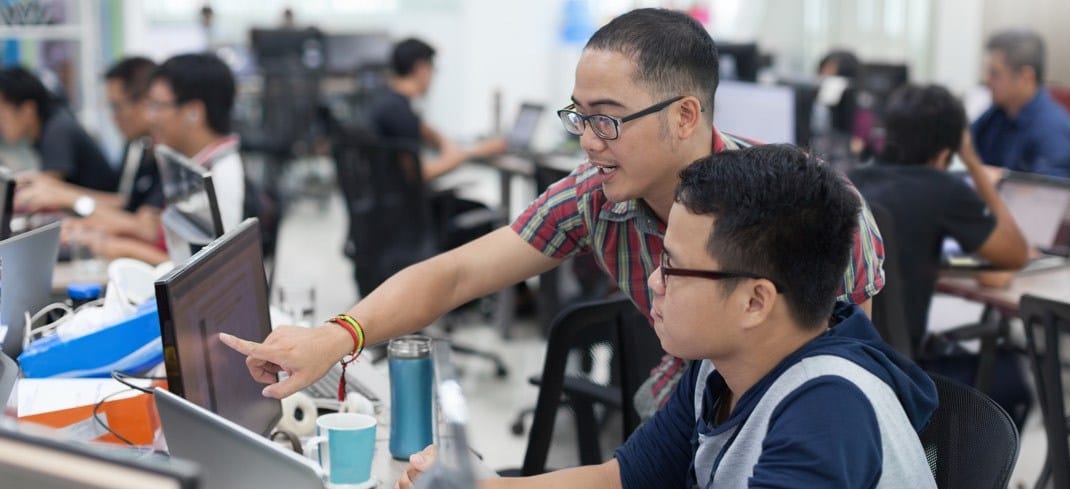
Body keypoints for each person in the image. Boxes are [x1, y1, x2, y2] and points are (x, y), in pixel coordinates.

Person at [221, 8, 885, 420]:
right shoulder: (596, 197)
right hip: (688, 411)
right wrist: (336, 337)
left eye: (608, 119)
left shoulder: (812, 211)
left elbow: (848, 382)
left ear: (687, 115)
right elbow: (454, 276)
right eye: (579, 116)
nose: (587, 140)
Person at [396, 145, 938, 488]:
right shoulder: (720, 363)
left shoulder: (827, 412)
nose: (653, 281)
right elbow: (622, 478)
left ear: (756, 300)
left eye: (675, 267)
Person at [849, 84, 1029, 349]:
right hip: (904, 372)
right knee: (1015, 379)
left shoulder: (851, 180)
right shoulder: (944, 189)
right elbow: (1016, 254)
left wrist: (965, 268)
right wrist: (973, 163)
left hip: (851, 358)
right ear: (947, 152)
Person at [15, 57, 169, 264]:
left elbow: (144, 227)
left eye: (117, 107)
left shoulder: (166, 156)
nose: (114, 118)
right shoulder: (137, 147)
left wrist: (69, 198)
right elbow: (125, 204)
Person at [371, 37, 507, 182]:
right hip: (406, 201)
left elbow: (426, 130)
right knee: (486, 204)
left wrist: (448, 144)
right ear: (421, 69)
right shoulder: (398, 113)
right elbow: (421, 174)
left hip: (385, 197)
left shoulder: (386, 101)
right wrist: (472, 153)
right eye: (433, 69)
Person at [145, 52, 244, 232]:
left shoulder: (221, 177)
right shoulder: (195, 166)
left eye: (158, 106)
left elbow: (212, 259)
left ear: (194, 113)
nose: (149, 117)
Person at [970, 29, 1070, 178]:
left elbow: (1049, 195)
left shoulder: (1055, 131)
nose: (986, 80)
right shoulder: (995, 115)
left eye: (995, 74)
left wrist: (997, 179)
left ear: (1025, 77)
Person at [0, 66, 118, 193]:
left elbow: (47, 190)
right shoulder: (51, 124)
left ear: (28, 110)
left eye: (2, 113)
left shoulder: (57, 130)